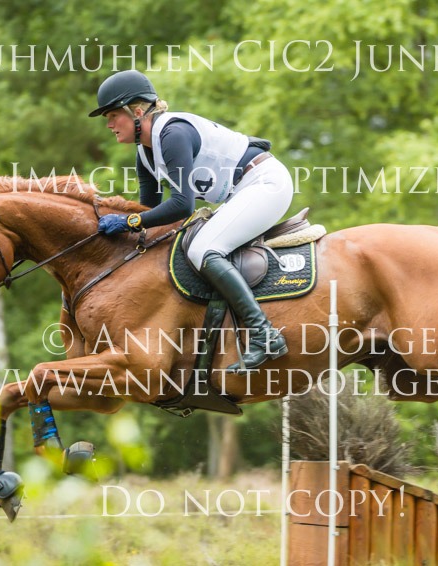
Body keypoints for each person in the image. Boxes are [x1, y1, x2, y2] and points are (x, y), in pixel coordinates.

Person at [89, 70, 293, 371]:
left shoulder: (172, 135)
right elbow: (149, 209)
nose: (108, 125)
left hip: (265, 183)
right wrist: (123, 229)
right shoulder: (144, 153)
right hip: (242, 191)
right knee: (189, 245)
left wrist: (129, 222)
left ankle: (265, 335)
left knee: (203, 249)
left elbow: (181, 206)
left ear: (137, 112)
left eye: (112, 115)